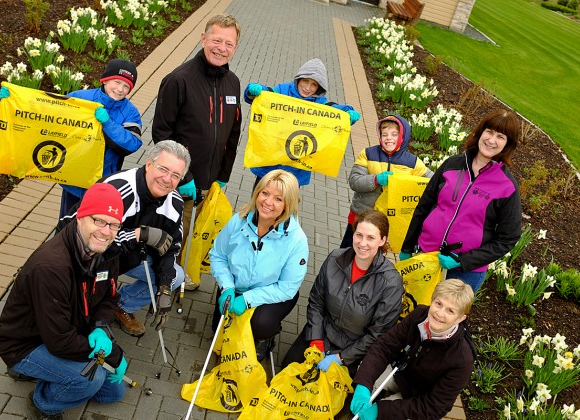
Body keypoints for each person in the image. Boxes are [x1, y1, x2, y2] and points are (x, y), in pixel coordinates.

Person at [0, 183, 129, 419]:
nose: (106, 231)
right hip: (27, 343)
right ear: (80, 218)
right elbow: (58, 341)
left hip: (71, 330)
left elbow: (109, 298)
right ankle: (42, 403)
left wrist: (101, 327)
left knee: (113, 392)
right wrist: (112, 354)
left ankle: (50, 374)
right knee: (90, 379)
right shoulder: (51, 267)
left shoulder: (107, 251)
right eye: (98, 220)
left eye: (113, 224)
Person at [57, 141, 190, 338]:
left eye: (175, 175)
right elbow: (85, 235)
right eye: (163, 169)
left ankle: (119, 305)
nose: (167, 179)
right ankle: (81, 306)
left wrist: (164, 288)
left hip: (126, 255)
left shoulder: (175, 203)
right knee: (78, 311)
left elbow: (172, 248)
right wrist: (139, 234)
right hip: (84, 252)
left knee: (175, 276)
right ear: (148, 164)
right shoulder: (118, 189)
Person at [151, 13, 242, 290]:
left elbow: (233, 133)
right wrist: (185, 176)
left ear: (235, 47)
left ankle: (183, 275)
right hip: (180, 183)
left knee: (199, 234)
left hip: (211, 183)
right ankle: (161, 286)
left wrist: (223, 175)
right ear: (203, 39)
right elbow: (161, 134)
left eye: (229, 43)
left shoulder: (233, 83)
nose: (221, 48)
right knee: (173, 237)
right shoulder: (178, 80)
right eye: (216, 40)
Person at [400, 109, 522, 292]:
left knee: (445, 318)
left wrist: (464, 261)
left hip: (465, 273)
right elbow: (424, 206)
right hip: (427, 255)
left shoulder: (507, 187)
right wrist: (407, 246)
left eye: (500, 136)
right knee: (413, 309)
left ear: (507, 144)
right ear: (481, 132)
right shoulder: (452, 164)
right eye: (489, 132)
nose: (491, 140)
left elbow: (508, 238)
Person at [281, 210, 404, 375]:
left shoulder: (391, 283)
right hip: (323, 333)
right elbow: (316, 301)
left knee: (332, 396)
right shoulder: (335, 259)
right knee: (288, 370)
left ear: (382, 240)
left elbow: (378, 334)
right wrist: (316, 341)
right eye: (359, 235)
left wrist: (341, 357)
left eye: (371, 238)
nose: (362, 243)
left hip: (355, 350)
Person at [209, 169, 309, 361]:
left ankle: (265, 338)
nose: (268, 202)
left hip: (272, 295)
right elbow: (218, 255)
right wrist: (227, 286)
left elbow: (287, 287)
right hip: (235, 288)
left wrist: (248, 299)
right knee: (217, 332)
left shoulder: (297, 240)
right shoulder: (237, 221)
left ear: (289, 204)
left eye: (279, 199)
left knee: (261, 324)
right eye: (265, 193)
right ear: (257, 192)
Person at [350, 279, 476, 420]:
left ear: (460, 318)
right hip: (399, 373)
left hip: (418, 399)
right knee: (363, 381)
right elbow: (384, 347)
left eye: (450, 311)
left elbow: (434, 407)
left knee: (379, 415)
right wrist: (363, 385)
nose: (440, 313)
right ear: (432, 300)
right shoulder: (419, 315)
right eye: (438, 303)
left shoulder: (462, 359)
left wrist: (380, 411)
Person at [243, 58, 361, 187]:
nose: (307, 88)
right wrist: (252, 91)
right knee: (260, 196)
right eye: (305, 81)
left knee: (286, 203)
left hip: (295, 169)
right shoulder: (283, 91)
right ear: (299, 79)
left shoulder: (320, 103)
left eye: (314, 84)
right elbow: (266, 95)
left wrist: (348, 112)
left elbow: (335, 109)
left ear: (319, 88)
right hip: (269, 161)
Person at [59, 58, 143, 218]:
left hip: (103, 180)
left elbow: (132, 143)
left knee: (93, 223)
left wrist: (107, 124)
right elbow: (48, 111)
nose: (120, 89)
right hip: (73, 177)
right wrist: (16, 101)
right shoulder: (80, 98)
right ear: (105, 80)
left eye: (126, 86)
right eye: (117, 82)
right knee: (67, 223)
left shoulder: (130, 113)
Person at [340, 114, 433, 249]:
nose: (389, 138)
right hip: (360, 216)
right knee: (347, 252)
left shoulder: (413, 163)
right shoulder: (368, 154)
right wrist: (376, 179)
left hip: (386, 222)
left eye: (394, 134)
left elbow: (433, 182)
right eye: (384, 134)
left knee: (372, 256)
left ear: (403, 137)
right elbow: (354, 181)